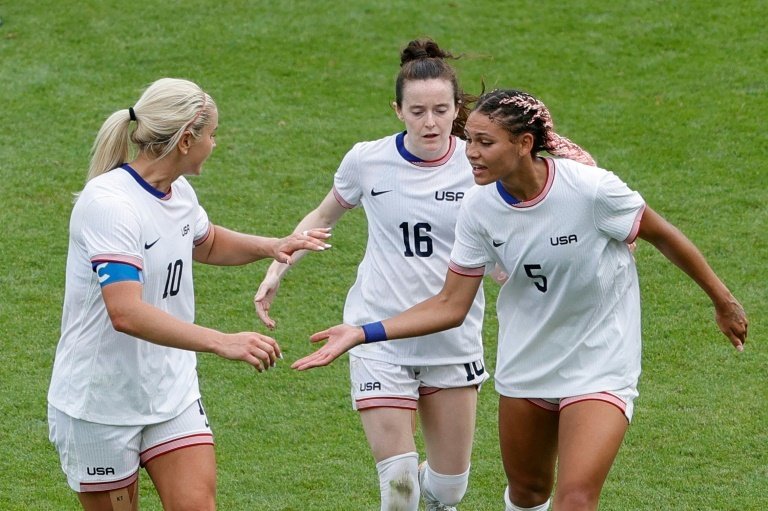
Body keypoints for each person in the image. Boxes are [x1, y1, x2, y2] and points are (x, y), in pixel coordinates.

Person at [291, 89, 749, 511]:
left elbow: (664, 236)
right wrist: (363, 331)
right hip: (526, 364)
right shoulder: (479, 208)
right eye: (469, 140)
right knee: (529, 491)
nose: (469, 152)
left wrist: (722, 300)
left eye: (484, 143)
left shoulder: (591, 191)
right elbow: (450, 305)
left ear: (524, 143)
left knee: (574, 498)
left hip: (599, 363)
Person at [47, 77, 331, 511]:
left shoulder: (177, 191)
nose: (215, 144)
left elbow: (206, 241)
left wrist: (272, 246)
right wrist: (222, 341)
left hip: (171, 393)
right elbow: (126, 313)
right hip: (101, 404)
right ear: (185, 140)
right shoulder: (109, 205)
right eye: (212, 134)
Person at [254, 39, 489, 511]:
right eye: (417, 110)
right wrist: (278, 267)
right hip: (375, 337)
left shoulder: (479, 165)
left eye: (441, 110)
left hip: (452, 339)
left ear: (456, 109)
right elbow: (322, 217)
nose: (430, 122)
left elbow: (513, 230)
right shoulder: (367, 160)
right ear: (397, 109)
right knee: (400, 489)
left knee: (448, 490)